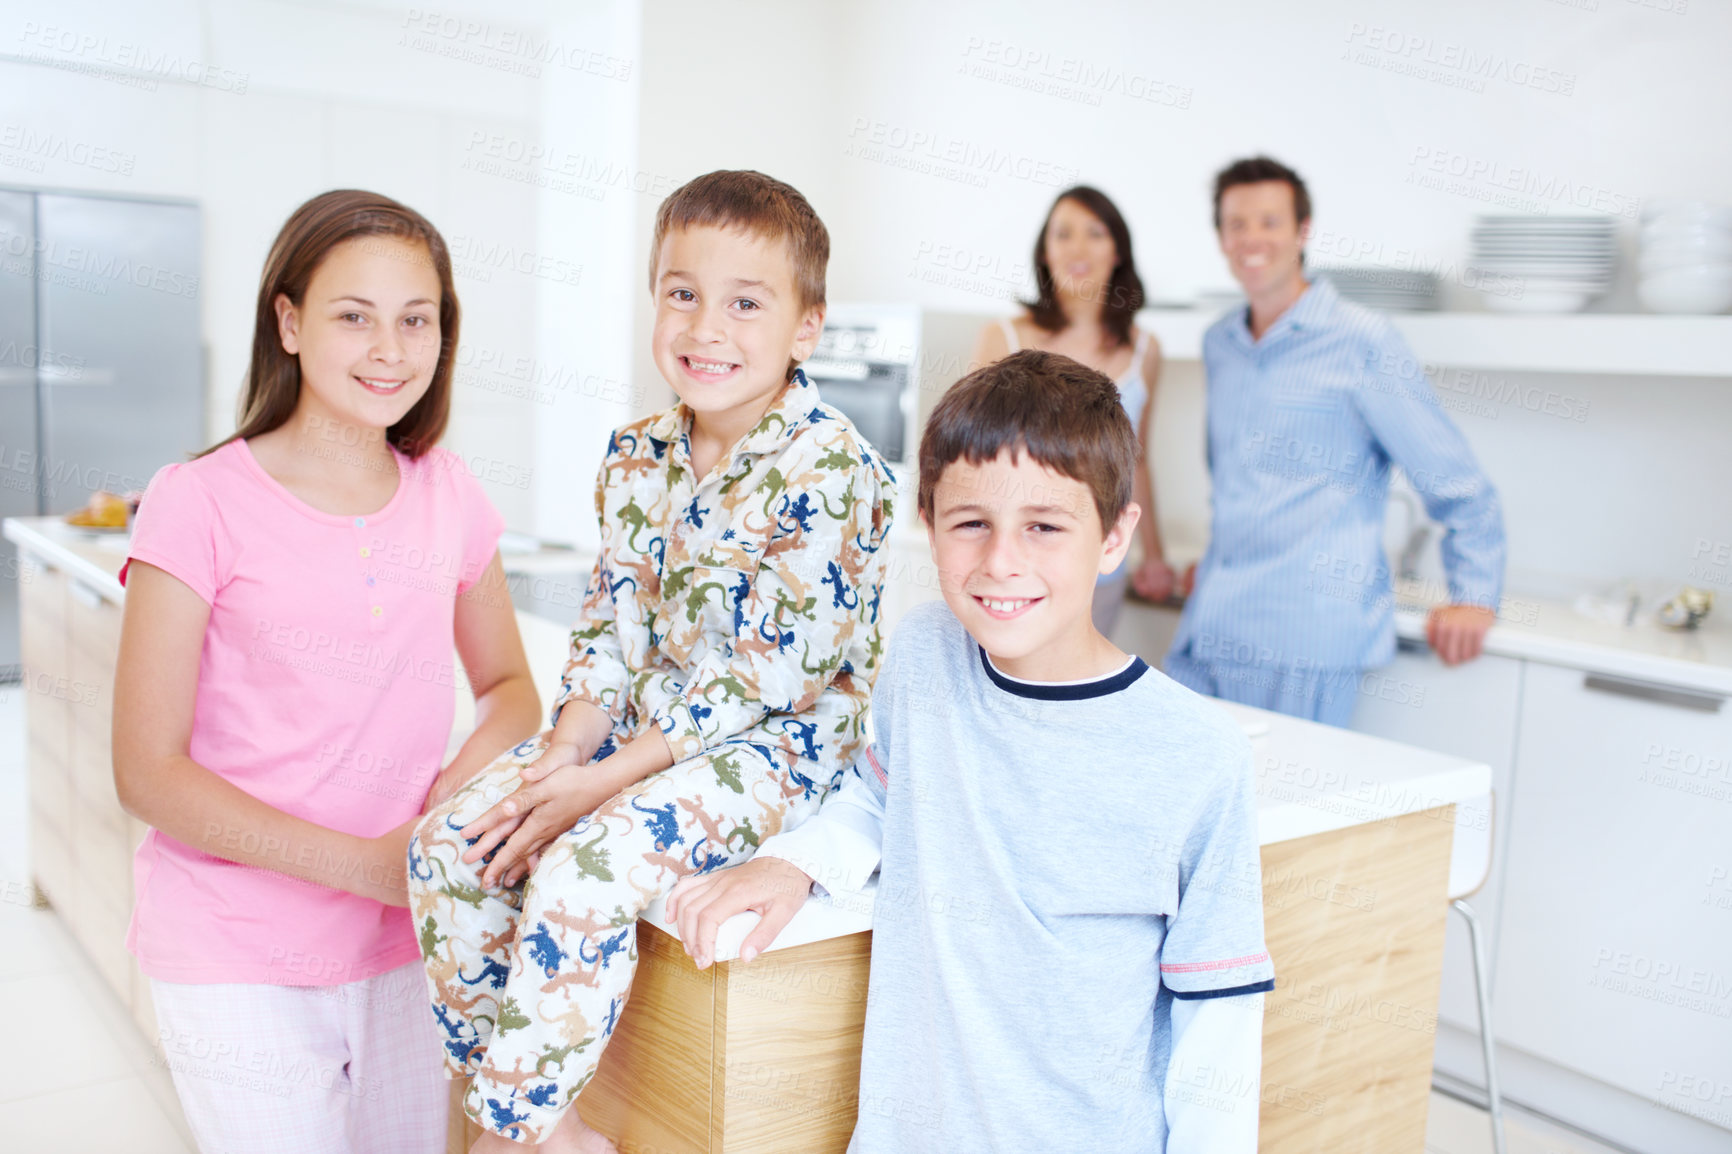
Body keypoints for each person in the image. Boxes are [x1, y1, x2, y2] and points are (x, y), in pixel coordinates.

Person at [666, 349, 1272, 1154]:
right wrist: (795, 861)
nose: (1001, 563)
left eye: (1045, 527)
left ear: (1115, 535)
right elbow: (882, 797)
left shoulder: (1199, 757)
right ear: (931, 523)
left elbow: (1218, 1030)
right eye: (971, 523)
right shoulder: (922, 655)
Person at [407, 170, 897, 1152]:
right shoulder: (636, 451)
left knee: (584, 872)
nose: (706, 326)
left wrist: (597, 786)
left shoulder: (833, 465)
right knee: (449, 844)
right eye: (682, 292)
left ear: (806, 328)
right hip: (636, 734)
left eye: (745, 302)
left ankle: (506, 1135)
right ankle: (545, 1118)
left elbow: (758, 681)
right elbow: (611, 621)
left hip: (776, 749)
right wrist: (564, 754)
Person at [112, 190, 541, 1153]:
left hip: (403, 939)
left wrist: (438, 824)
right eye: (355, 315)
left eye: (415, 319)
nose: (390, 348)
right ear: (290, 321)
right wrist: (363, 867)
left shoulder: (449, 495)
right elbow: (146, 770)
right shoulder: (198, 501)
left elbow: (512, 690)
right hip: (234, 945)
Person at [1163, 156, 1507, 726]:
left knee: (1283, 813)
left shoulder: (1363, 342)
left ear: (1302, 231)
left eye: (1269, 221)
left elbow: (1455, 480)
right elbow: (1233, 474)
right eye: (1236, 223)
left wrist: (1475, 594)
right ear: (1221, 236)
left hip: (1306, 639)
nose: (1251, 238)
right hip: (1212, 625)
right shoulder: (1219, 342)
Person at [971, 186, 1173, 635]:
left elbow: (1136, 461)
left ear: (1117, 250)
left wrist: (1155, 557)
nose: (1078, 248)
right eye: (1063, 234)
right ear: (1045, 251)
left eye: (1095, 233)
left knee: (1080, 698)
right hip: (1015, 567)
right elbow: (971, 457)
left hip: (1102, 569)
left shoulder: (1145, 350)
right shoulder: (1003, 338)